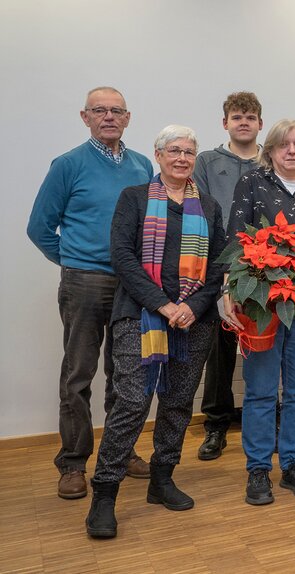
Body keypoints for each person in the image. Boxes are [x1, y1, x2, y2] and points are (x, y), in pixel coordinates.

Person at [85, 125, 227, 538]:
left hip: (194, 320)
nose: (182, 158)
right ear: (159, 154)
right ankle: (104, 493)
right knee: (131, 401)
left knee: (180, 400)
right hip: (140, 314)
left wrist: (191, 307)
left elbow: (218, 266)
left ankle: (162, 479)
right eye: (174, 150)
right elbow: (123, 257)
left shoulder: (210, 207)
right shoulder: (135, 198)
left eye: (188, 151)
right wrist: (163, 304)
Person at [27, 86, 153, 500]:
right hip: (84, 283)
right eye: (100, 110)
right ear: (85, 117)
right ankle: (74, 462)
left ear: (128, 117)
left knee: (126, 374)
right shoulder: (67, 165)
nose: (109, 117)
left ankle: (120, 451)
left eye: (117, 110)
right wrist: (74, 260)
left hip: (130, 284)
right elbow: (39, 228)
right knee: (79, 374)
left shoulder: (141, 165)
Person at [222, 119, 295, 505]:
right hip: (262, 305)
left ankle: (292, 465)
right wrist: (228, 293)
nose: (292, 150)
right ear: (269, 151)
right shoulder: (252, 183)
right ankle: (257, 469)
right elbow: (235, 240)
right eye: (284, 145)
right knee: (261, 390)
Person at [193, 91, 263, 461]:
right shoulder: (206, 161)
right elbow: (201, 212)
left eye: (250, 117)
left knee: (265, 344)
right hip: (219, 264)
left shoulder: (272, 159)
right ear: (225, 123)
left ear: (260, 124)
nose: (243, 122)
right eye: (237, 117)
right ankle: (216, 425)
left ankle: (264, 418)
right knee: (219, 350)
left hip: (264, 266)